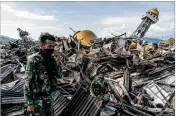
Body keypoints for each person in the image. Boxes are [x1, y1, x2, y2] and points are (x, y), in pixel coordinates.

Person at [24, 33, 62, 116]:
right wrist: (30, 103)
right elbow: (27, 82)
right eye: (49, 46)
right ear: (42, 45)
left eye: (53, 46)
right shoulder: (33, 60)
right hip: (37, 100)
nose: (51, 49)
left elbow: (59, 76)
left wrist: (58, 64)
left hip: (49, 99)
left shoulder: (52, 59)